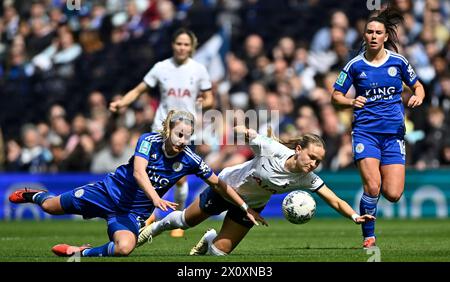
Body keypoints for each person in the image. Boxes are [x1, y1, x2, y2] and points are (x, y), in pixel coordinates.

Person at [8, 111, 264, 257]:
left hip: (132, 212)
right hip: (107, 193)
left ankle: (81, 253)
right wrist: (155, 199)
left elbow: (219, 184)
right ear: (167, 130)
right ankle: (35, 195)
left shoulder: (190, 160)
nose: (183, 140)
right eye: (178, 134)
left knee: (125, 249)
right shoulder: (148, 141)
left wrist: (245, 208)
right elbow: (140, 173)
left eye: (187, 136)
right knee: (51, 207)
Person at [136, 126, 375, 256]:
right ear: (299, 149)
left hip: (251, 208)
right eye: (311, 157)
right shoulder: (271, 148)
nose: (313, 164)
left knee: (219, 254)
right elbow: (246, 132)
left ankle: (211, 239)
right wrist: (245, 132)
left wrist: (354, 216)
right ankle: (151, 229)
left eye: (317, 162)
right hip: (226, 188)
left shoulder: (307, 178)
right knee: (184, 223)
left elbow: (334, 200)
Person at [331, 8, 425, 249]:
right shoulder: (355, 65)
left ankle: (369, 207)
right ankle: (368, 237)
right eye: (369, 32)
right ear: (364, 35)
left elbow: (418, 86)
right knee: (373, 186)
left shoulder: (399, 62)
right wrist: (351, 101)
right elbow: (335, 96)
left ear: (385, 37)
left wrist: (418, 96)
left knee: (393, 194)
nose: (373, 36)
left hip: (394, 135)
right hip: (365, 133)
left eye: (378, 32)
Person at [109, 28, 214, 237]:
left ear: (191, 47)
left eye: (186, 44)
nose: (182, 48)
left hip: (185, 132)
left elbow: (210, 98)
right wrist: (122, 103)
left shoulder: (199, 70)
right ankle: (146, 213)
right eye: (178, 44)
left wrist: (205, 102)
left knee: (179, 178)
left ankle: (176, 217)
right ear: (173, 45)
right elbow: (140, 90)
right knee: (148, 173)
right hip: (160, 128)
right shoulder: (161, 67)